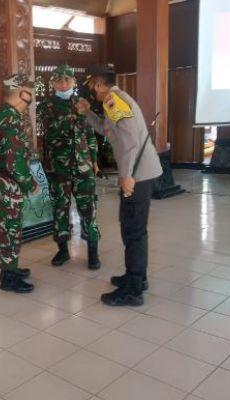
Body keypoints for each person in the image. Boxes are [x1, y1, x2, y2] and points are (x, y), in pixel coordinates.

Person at [76, 71, 162, 307]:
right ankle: (137, 277)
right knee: (131, 227)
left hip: (138, 174)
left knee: (133, 231)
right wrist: (88, 113)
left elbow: (130, 142)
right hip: (140, 172)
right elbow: (107, 130)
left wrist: (127, 176)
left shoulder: (114, 100)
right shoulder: (112, 101)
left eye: (91, 85)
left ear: (99, 84)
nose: (90, 90)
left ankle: (133, 290)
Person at [37, 64, 100, 270]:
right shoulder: (46, 106)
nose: (63, 84)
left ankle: (93, 252)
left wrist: (94, 160)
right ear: (53, 83)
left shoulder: (83, 103)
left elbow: (90, 135)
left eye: (67, 80)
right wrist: (76, 116)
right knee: (60, 209)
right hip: (58, 168)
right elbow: (51, 133)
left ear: (74, 81)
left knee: (88, 208)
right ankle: (63, 250)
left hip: (83, 167)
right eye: (59, 80)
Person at [0, 73, 39, 294]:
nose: (31, 95)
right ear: (21, 93)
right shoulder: (11, 118)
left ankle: (9, 268)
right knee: (10, 230)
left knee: (5, 228)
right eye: (29, 91)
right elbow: (14, 161)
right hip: (8, 184)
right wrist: (30, 183)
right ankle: (8, 278)